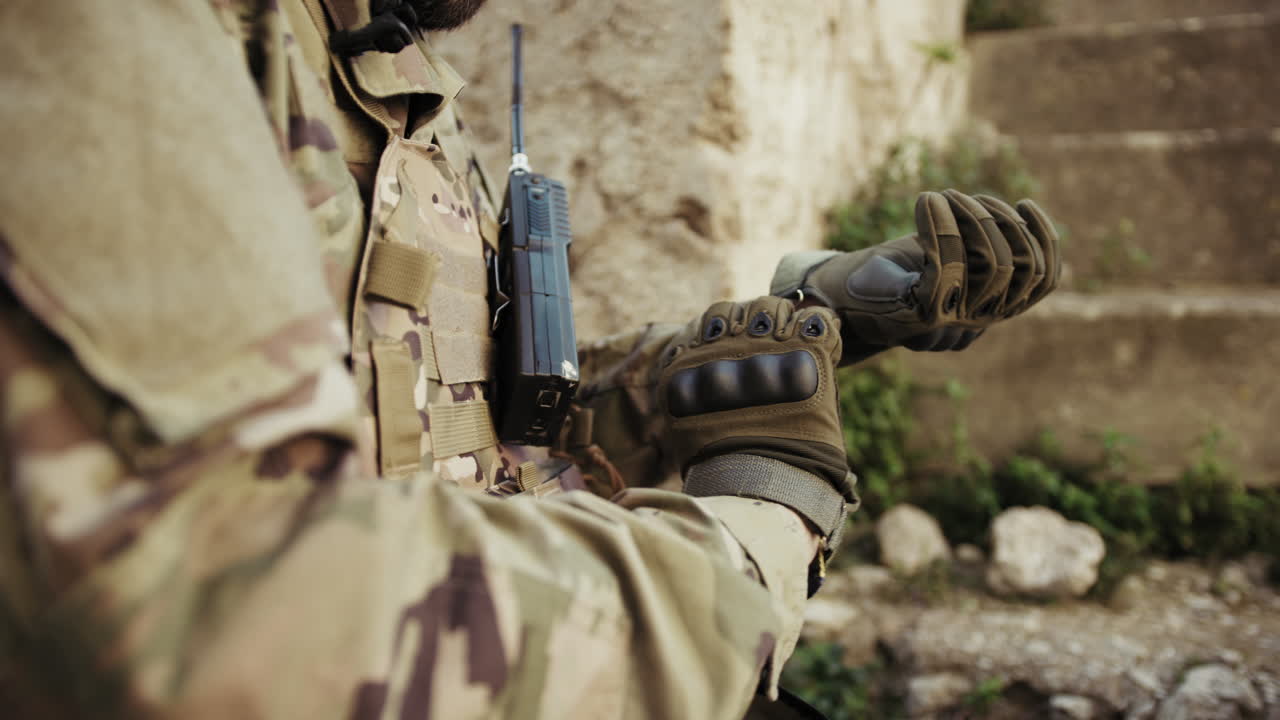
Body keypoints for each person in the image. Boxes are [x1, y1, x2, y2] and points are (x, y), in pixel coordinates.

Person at [0, 1, 1059, 718]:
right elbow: (238, 603)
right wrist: (758, 531)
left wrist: (806, 322)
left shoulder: (389, 78)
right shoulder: (125, 32)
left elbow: (496, 428)